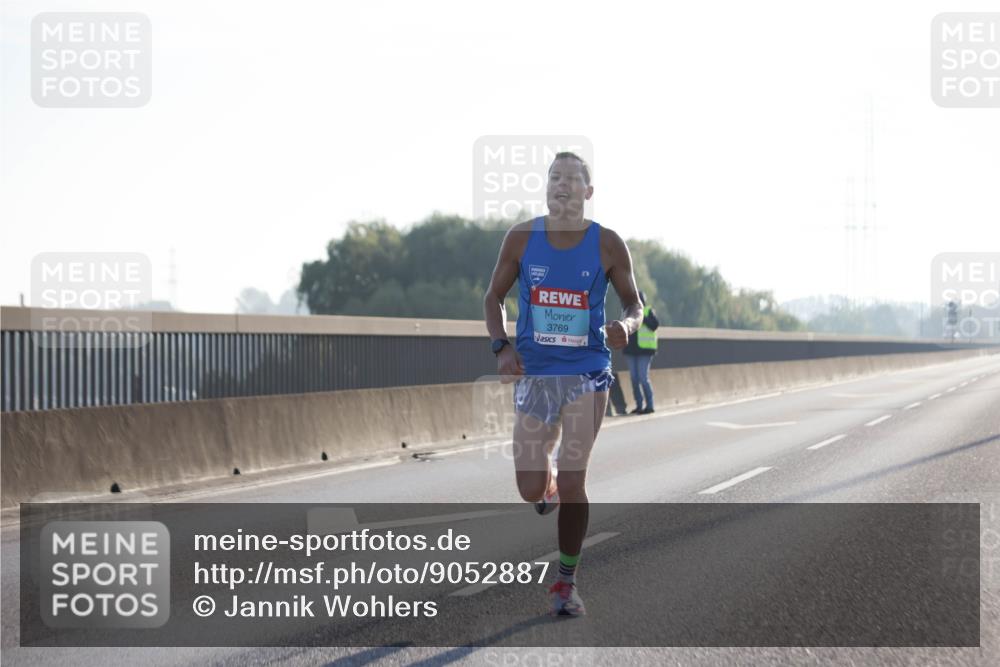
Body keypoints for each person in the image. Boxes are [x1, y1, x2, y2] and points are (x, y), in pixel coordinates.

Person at [483, 151, 643, 616]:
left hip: (588, 372)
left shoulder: (608, 244)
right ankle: (547, 488)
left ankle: (566, 582)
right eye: (555, 177)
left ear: (587, 193)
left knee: (575, 478)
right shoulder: (520, 238)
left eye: (572, 179)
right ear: (546, 186)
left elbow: (637, 305)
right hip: (535, 373)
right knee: (530, 488)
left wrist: (626, 328)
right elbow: (493, 296)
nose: (561, 185)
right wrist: (502, 345)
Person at [622, 289, 659, 414]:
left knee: (643, 377)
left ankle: (650, 405)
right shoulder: (627, 312)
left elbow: (655, 325)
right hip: (631, 351)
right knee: (634, 379)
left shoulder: (648, 312)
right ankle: (639, 405)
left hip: (645, 350)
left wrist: (642, 316)